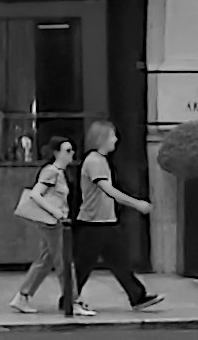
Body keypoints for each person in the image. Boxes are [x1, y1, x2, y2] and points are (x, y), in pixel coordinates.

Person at [65, 124, 161, 313]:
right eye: (112, 136)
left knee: (120, 262)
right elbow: (108, 190)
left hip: (105, 221)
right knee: (83, 266)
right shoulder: (94, 161)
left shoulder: (101, 160)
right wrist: (137, 204)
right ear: (101, 138)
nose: (115, 140)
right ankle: (68, 299)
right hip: (93, 223)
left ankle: (137, 296)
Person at [8, 135, 82, 316]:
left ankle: (22, 296)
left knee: (45, 261)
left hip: (53, 221)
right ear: (56, 153)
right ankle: (72, 301)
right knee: (64, 261)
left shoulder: (60, 173)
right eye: (67, 151)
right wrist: (55, 212)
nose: (72, 154)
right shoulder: (52, 172)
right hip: (53, 222)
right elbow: (35, 194)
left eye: (72, 150)